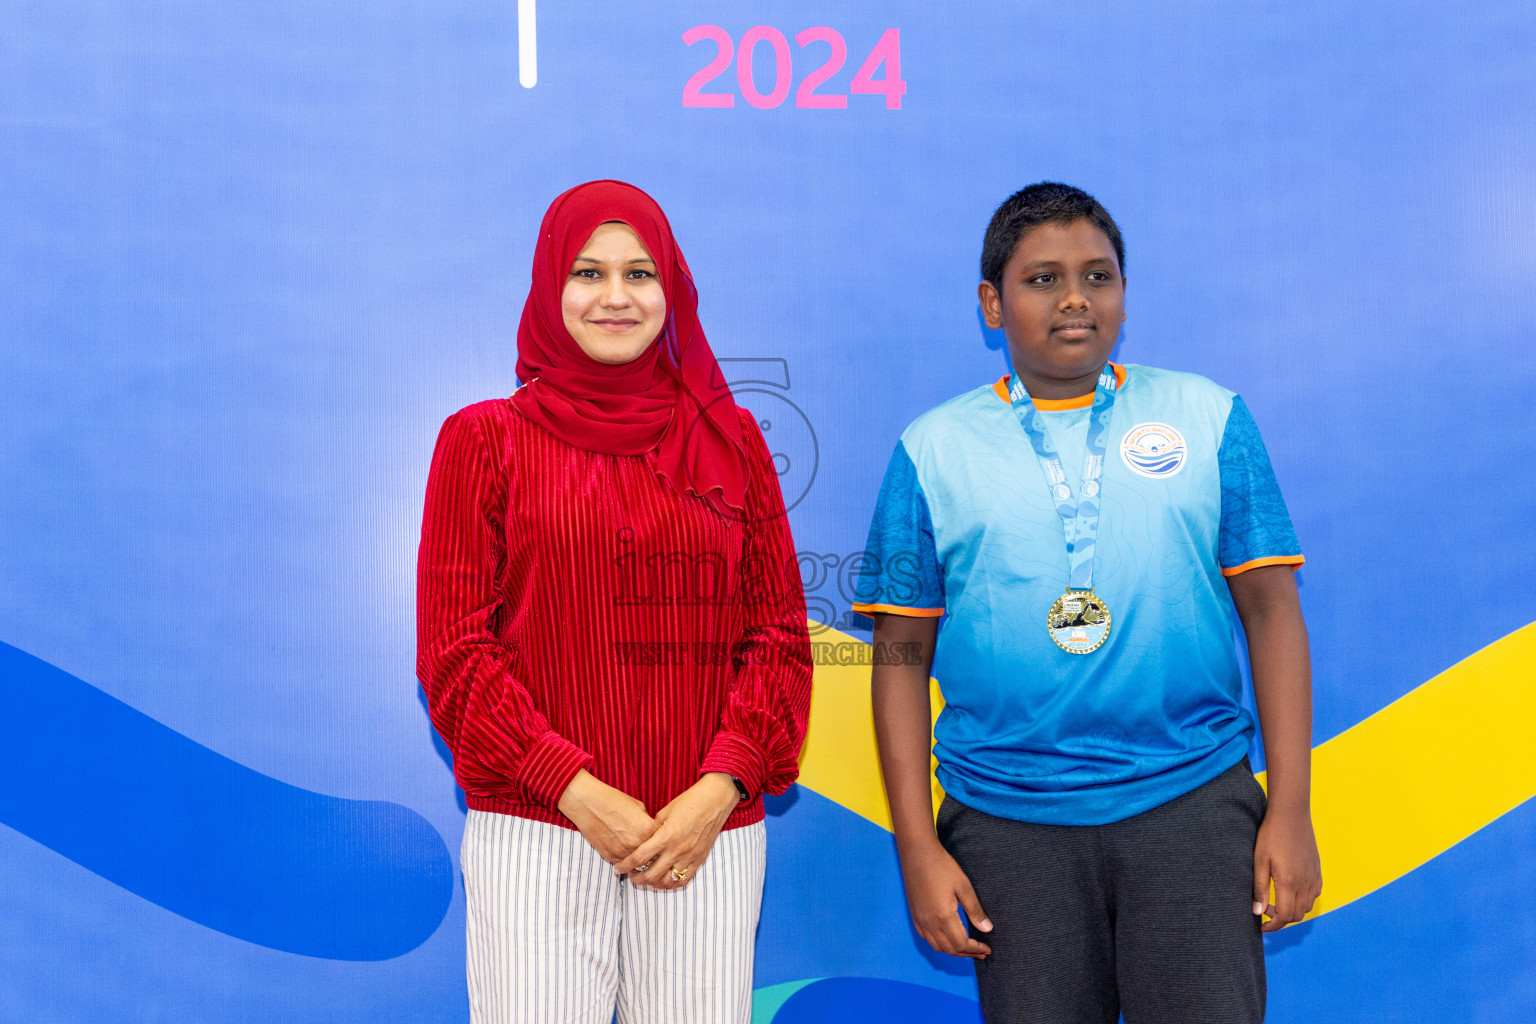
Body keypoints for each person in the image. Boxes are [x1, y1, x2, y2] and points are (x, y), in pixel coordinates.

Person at [854, 182, 1322, 1023]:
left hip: (1193, 807)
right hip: (1007, 823)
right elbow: (898, 657)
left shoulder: (1209, 417)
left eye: (1098, 276)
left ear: (1124, 294)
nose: (1075, 298)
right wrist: (917, 848)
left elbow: (1274, 613)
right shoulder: (932, 451)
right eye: (1042, 280)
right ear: (991, 305)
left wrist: (1288, 810)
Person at [416, 180, 812, 1024]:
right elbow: (454, 654)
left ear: (671, 291)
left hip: (701, 835)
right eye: (588, 273)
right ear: (550, 288)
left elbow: (777, 635)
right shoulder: (482, 442)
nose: (615, 297)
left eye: (640, 274)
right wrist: (573, 788)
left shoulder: (732, 438)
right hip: (539, 827)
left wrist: (720, 790)